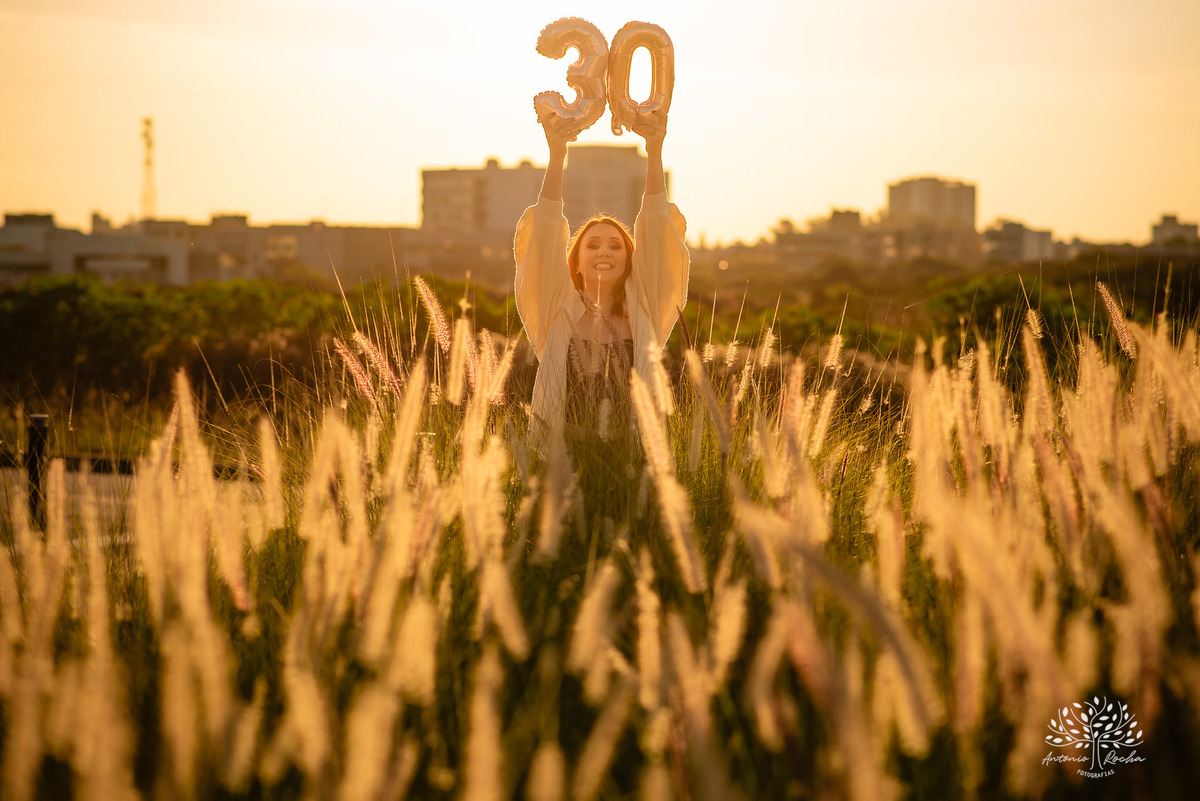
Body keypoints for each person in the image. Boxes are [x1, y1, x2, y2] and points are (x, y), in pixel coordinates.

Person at [514, 109, 689, 445]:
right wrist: (557, 154)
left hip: (631, 464)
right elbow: (547, 229)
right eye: (592, 245)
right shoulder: (556, 309)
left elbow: (654, 225)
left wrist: (655, 151)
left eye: (616, 246)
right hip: (562, 462)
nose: (604, 252)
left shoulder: (646, 312)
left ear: (630, 261)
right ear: (575, 262)